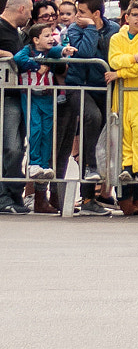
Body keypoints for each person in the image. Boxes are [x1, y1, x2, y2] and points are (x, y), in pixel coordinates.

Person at [58, 0, 117, 216]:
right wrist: (91, 27)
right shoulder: (76, 29)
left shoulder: (114, 29)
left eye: (81, 12)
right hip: (79, 87)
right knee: (92, 117)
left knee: (98, 137)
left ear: (96, 12)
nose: (76, 16)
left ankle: (91, 196)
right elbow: (85, 53)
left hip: (104, 89)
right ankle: (90, 174)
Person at [107, 0, 138, 215]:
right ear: (127, 17)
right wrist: (131, 58)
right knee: (124, 131)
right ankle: (127, 168)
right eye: (134, 15)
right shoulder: (117, 37)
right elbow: (113, 59)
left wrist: (120, 73)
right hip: (121, 93)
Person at [13, 23, 65, 210]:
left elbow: (59, 51)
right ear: (35, 39)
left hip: (47, 95)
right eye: (46, 35)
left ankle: (44, 164)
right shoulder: (28, 51)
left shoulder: (52, 52)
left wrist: (65, 48)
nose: (51, 38)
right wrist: (36, 67)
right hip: (30, 95)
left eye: (52, 34)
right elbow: (19, 59)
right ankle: (34, 162)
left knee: (47, 131)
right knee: (34, 129)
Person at [0, 0, 29, 213]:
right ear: (20, 9)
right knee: (10, 147)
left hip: (17, 95)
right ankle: (4, 196)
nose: (30, 15)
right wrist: (6, 54)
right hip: (5, 97)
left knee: (17, 148)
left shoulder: (17, 32)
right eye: (28, 11)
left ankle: (13, 195)